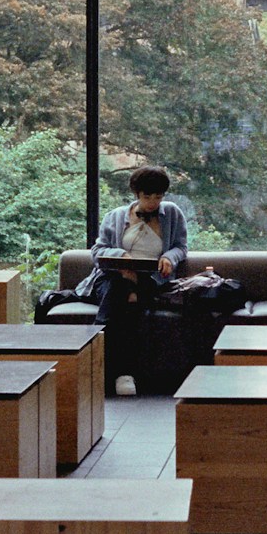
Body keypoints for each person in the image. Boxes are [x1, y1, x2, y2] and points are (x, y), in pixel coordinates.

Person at [75, 165, 187, 396]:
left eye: (158, 197)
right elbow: (98, 252)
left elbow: (180, 247)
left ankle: (96, 364)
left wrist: (168, 257)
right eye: (147, 197)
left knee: (129, 296)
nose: (152, 203)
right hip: (112, 277)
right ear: (137, 194)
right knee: (124, 292)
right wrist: (121, 257)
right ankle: (125, 374)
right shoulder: (116, 216)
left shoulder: (172, 214)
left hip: (151, 279)